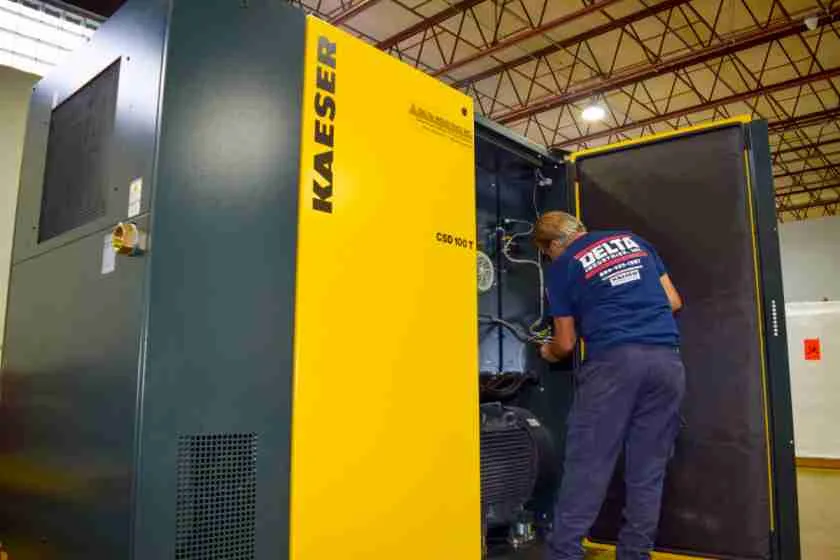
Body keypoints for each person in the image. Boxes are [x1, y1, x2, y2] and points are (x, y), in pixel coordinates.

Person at [533, 211, 685, 560]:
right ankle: (635, 554)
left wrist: (548, 351)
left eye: (546, 253)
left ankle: (564, 554)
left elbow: (566, 343)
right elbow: (673, 301)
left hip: (614, 366)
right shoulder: (634, 241)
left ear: (554, 244)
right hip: (666, 362)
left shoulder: (564, 265)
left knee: (587, 466)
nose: (549, 259)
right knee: (647, 472)